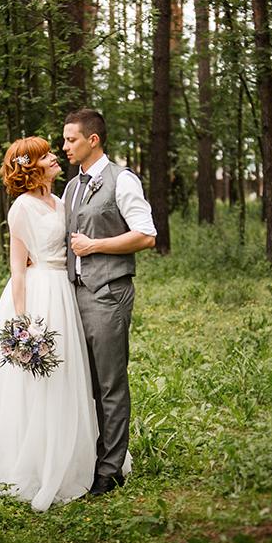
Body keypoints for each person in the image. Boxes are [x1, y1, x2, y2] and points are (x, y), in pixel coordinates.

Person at [0, 136, 99, 512]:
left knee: (67, 373)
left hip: (64, 292)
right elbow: (18, 269)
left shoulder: (61, 200)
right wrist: (23, 325)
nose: (55, 157)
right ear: (31, 166)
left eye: (53, 151)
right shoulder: (21, 208)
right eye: (47, 154)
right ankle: (37, 463)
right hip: (37, 296)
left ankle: (71, 458)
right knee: (39, 382)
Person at [61, 108, 156, 497]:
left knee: (110, 384)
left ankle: (111, 469)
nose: (65, 146)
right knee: (81, 384)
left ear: (93, 140)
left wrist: (95, 246)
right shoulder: (70, 187)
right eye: (65, 140)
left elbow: (147, 235)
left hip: (108, 295)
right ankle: (88, 456)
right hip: (72, 296)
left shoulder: (122, 180)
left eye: (71, 140)